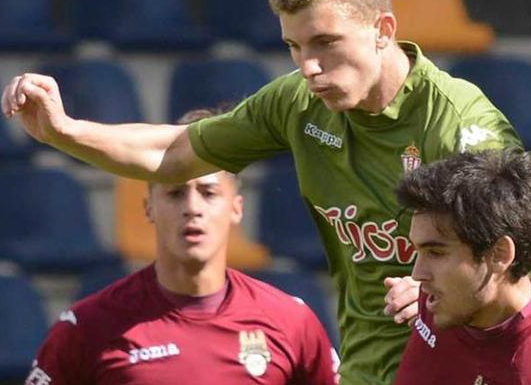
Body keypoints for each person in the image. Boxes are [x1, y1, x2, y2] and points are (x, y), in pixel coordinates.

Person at [2, 0, 521, 385]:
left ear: (383, 28)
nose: (310, 67)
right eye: (294, 47)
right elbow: (176, 152)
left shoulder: (456, 122)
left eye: (325, 42)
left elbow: (522, 255)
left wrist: (443, 278)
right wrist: (65, 131)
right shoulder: (298, 102)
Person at [24, 109, 340, 385]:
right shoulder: (87, 327)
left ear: (236, 208)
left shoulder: (291, 321)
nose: (192, 208)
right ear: (148, 208)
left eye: (209, 193)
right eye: (176, 194)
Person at [392, 150, 531, 384]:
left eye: (436, 253)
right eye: (418, 252)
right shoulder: (442, 304)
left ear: (500, 254)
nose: (418, 275)